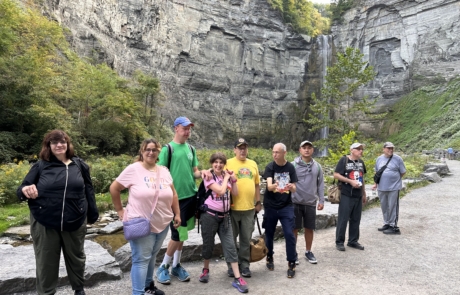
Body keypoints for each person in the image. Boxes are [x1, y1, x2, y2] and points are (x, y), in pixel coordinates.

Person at [16, 129, 99, 295]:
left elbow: (88, 189)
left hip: (75, 220)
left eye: (62, 141)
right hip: (44, 221)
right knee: (46, 261)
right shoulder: (40, 166)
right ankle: (47, 293)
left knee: (76, 258)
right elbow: (21, 189)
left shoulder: (79, 165)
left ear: (68, 144)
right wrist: (25, 190)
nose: (59, 145)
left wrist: (92, 213)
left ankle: (79, 289)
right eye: (54, 142)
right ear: (49, 146)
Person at [110, 138, 180, 295]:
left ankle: (149, 287)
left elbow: (173, 194)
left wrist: (177, 214)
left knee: (152, 256)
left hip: (162, 222)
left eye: (154, 150)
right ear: (142, 151)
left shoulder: (164, 171)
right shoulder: (133, 169)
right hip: (140, 223)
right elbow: (114, 188)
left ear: (158, 152)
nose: (151, 152)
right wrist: (120, 210)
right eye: (147, 149)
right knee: (141, 260)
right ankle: (138, 292)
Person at [156, 117, 211, 285]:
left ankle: (176, 265)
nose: (188, 132)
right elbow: (160, 173)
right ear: (176, 128)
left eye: (189, 129)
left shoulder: (191, 149)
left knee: (183, 233)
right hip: (174, 198)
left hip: (190, 196)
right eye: (185, 128)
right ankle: (163, 266)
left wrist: (202, 173)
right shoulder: (168, 149)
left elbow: (194, 171)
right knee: (176, 234)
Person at [198, 153, 249, 293]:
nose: (218, 165)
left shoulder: (224, 177)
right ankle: (206, 269)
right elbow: (220, 191)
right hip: (209, 216)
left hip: (225, 217)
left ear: (224, 164)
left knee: (231, 246)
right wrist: (227, 177)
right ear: (212, 163)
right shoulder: (208, 177)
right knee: (208, 244)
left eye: (221, 162)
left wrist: (233, 180)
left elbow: (236, 193)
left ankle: (237, 278)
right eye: (216, 162)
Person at [225, 138, 261, 278]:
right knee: (231, 240)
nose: (242, 150)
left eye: (244, 148)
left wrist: (258, 202)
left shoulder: (253, 164)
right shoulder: (227, 163)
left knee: (246, 239)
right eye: (239, 148)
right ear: (234, 150)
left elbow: (257, 184)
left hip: (248, 209)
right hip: (231, 209)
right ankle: (231, 265)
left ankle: (245, 265)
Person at [263, 143, 298, 278]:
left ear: (284, 153)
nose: (275, 155)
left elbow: (294, 188)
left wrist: (290, 186)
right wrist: (275, 185)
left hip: (286, 206)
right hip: (271, 206)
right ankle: (269, 256)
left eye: (277, 152)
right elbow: (269, 187)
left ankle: (291, 262)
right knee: (269, 233)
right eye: (273, 152)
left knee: (289, 233)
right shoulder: (270, 167)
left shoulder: (290, 167)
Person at [291, 140, 324, 264]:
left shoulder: (318, 166)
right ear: (300, 150)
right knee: (294, 228)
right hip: (295, 201)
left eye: (309, 147)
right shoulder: (293, 165)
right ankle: (293, 252)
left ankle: (308, 251)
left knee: (309, 228)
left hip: (310, 202)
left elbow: (320, 184)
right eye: (304, 147)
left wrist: (321, 200)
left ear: (312, 150)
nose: (306, 150)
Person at [333, 142, 367, 251]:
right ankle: (339, 242)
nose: (361, 151)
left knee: (356, 219)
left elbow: (363, 177)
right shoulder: (344, 160)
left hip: (358, 194)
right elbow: (336, 174)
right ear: (351, 150)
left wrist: (364, 193)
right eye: (358, 149)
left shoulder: (361, 162)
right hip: (346, 193)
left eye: (361, 149)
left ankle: (353, 241)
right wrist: (350, 181)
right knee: (343, 218)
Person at [372, 142, 406, 235]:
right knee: (384, 206)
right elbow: (377, 173)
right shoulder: (379, 159)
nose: (390, 150)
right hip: (381, 187)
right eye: (388, 148)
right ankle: (386, 223)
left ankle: (393, 226)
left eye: (392, 148)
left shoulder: (398, 159)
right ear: (383, 149)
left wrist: (395, 180)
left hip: (394, 187)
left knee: (392, 206)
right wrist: (375, 184)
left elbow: (402, 172)